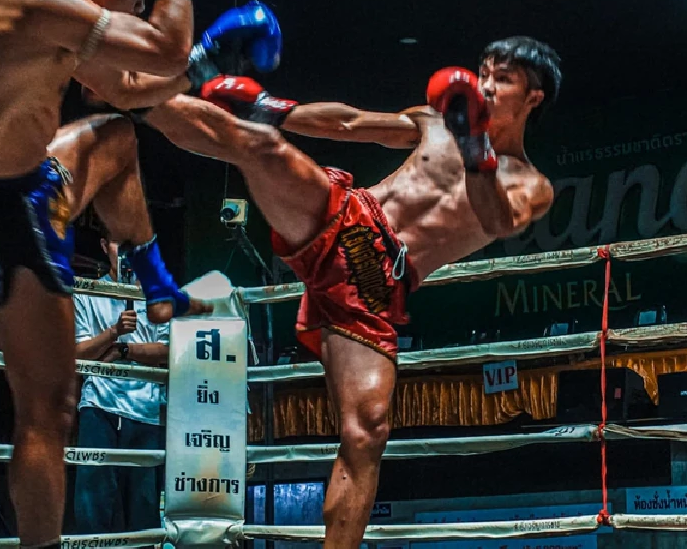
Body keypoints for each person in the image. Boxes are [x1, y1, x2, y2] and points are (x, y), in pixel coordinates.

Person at [0, 0, 278, 548]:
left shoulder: (65, 23)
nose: (139, 4)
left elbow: (129, 89)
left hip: (37, 178)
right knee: (48, 409)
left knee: (117, 139)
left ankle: (155, 282)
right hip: (1, 212)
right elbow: (160, 49)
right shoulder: (36, 7)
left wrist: (204, 62)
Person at [142, 36, 560, 548]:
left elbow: (498, 219)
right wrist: (270, 106)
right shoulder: (432, 122)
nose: (487, 85)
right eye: (485, 72)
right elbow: (348, 123)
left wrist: (476, 148)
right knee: (258, 143)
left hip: (378, 284)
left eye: (504, 78)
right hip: (352, 221)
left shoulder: (530, 183)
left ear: (533, 97)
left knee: (369, 430)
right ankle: (134, 92)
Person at [72, 231, 169, 534]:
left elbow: (168, 350)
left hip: (145, 411)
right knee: (92, 508)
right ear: (104, 247)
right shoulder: (88, 292)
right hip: (99, 407)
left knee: (143, 511)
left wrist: (124, 350)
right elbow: (76, 353)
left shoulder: (158, 294)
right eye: (118, 245)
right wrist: (113, 333)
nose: (126, 253)